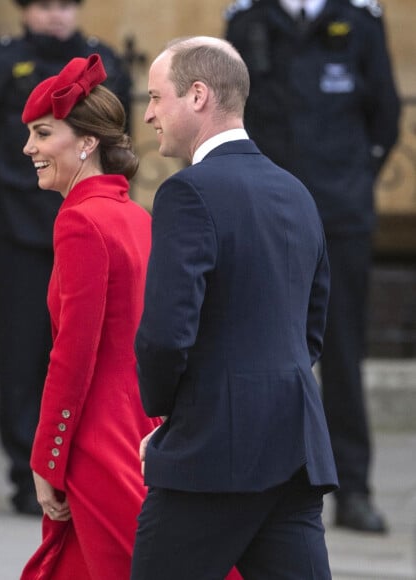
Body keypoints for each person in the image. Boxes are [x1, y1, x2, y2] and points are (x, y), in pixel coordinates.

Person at [130, 36, 338, 580]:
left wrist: (172, 419)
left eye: (156, 97)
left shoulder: (188, 193)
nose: (149, 113)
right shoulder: (296, 191)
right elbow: (310, 328)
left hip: (213, 455)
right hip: (294, 442)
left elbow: (165, 334)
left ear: (197, 95)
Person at [0, 0, 132, 516]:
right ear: (25, 10)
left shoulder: (102, 61)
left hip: (84, 225)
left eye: (67, 5)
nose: (57, 16)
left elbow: (117, 135)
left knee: (87, 347)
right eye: (46, 5)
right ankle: (30, 474)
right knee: (22, 353)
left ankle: (82, 462)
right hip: (14, 231)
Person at [225, 0, 400, 533]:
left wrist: (351, 179)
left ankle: (353, 489)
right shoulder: (247, 20)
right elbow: (231, 113)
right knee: (256, 352)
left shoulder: (361, 20)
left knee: (342, 356)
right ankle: (258, 489)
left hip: (339, 214)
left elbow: (385, 114)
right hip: (267, 213)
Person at [16, 53, 161, 580]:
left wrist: (46, 456)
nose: (29, 147)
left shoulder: (80, 221)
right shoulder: (133, 215)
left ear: (86, 142)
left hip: (98, 437)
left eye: (42, 132)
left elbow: (73, 353)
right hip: (140, 423)